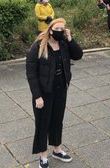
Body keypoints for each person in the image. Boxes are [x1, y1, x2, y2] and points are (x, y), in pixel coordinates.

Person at [25, 18, 82, 168]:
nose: (60, 31)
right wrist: (37, 96)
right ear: (50, 30)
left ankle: (57, 149)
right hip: (44, 92)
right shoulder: (38, 46)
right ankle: (43, 156)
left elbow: (78, 55)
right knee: (43, 123)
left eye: (62, 29)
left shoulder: (63, 43)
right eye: (57, 29)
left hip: (61, 88)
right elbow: (31, 73)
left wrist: (70, 39)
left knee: (57, 120)